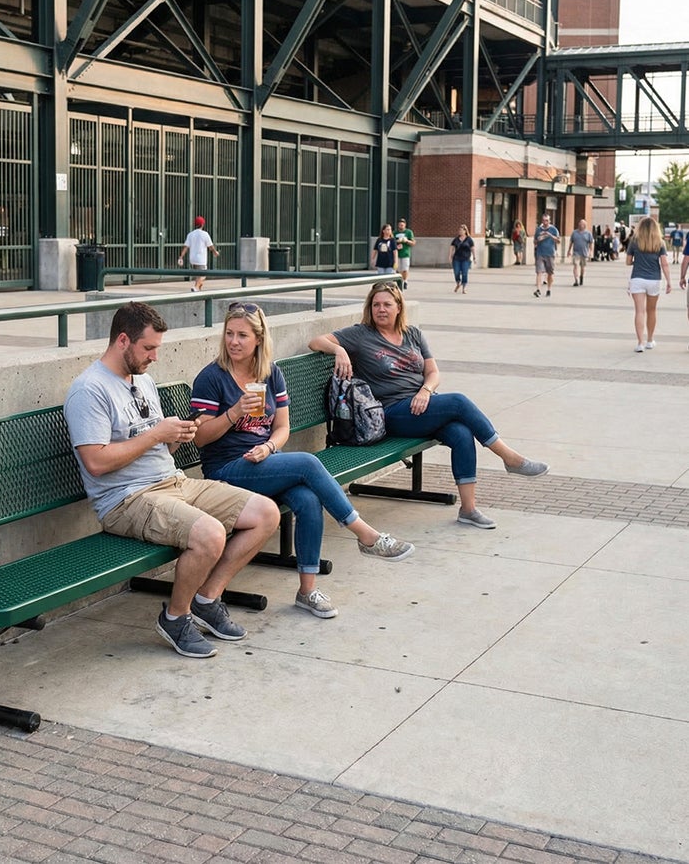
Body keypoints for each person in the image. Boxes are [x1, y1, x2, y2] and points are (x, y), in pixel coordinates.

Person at [64, 300, 280, 660]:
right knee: (210, 533)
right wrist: (155, 435)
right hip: (126, 499)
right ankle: (176, 618)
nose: (154, 357)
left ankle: (207, 599)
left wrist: (176, 436)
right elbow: (96, 463)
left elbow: (155, 443)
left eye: (157, 349)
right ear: (122, 340)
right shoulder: (90, 390)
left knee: (266, 513)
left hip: (172, 482)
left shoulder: (143, 380)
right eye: (148, 348)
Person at [191, 301, 412, 618]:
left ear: (258, 339)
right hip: (226, 469)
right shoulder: (212, 378)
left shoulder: (270, 373)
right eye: (229, 334)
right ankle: (365, 534)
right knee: (308, 464)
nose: (234, 342)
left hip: (264, 462)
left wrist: (268, 448)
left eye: (242, 335)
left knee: (308, 498)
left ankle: (307, 591)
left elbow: (282, 428)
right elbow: (200, 438)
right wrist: (234, 413)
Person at [310, 281, 547, 530]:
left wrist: (425, 391)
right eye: (376, 304)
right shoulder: (360, 334)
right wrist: (339, 350)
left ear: (399, 307)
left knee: (460, 432)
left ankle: (468, 509)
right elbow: (316, 341)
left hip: (422, 406)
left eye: (387, 304)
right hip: (391, 413)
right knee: (457, 401)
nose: (381, 309)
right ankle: (509, 457)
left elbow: (433, 372)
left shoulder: (413, 334)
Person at [627, 214, 673, 352]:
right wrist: (669, 281)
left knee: (639, 311)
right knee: (651, 311)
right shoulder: (660, 242)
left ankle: (640, 343)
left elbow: (628, 261)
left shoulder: (634, 241)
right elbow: (664, 264)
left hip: (637, 279)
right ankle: (650, 340)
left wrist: (638, 262)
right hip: (654, 279)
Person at [183, 212, 217, 291]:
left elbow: (186, 247)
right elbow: (210, 246)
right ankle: (195, 287)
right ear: (202, 224)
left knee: (198, 275)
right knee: (203, 275)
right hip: (201, 258)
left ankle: (199, 289)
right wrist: (215, 252)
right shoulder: (205, 234)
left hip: (193, 259)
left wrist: (181, 256)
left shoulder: (190, 234)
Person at [533, 211, 561, 297]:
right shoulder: (538, 229)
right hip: (540, 253)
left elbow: (558, 241)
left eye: (547, 221)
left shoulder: (553, 229)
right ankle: (538, 290)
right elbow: (534, 241)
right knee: (539, 272)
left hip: (550, 254)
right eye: (544, 220)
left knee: (550, 273)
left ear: (549, 221)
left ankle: (549, 289)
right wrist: (539, 239)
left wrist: (549, 235)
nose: (545, 222)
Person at [570, 213, 593, 286]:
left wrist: (591, 252)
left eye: (582, 224)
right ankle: (576, 280)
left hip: (584, 252)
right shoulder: (574, 232)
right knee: (575, 265)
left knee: (582, 267)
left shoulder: (588, 234)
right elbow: (571, 242)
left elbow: (591, 243)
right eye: (580, 223)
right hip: (576, 252)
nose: (581, 225)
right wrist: (568, 251)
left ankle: (581, 277)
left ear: (585, 225)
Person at [450, 224, 474, 293]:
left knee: (464, 273)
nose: (460, 231)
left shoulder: (469, 239)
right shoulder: (456, 239)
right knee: (456, 272)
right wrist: (450, 256)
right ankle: (458, 283)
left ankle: (464, 288)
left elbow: (472, 248)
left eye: (461, 230)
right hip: (456, 258)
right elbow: (452, 247)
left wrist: (474, 257)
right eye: (459, 230)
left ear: (465, 231)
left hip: (466, 259)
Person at [395, 217, 415, 290]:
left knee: (405, 269)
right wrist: (397, 244)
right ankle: (399, 281)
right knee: (398, 269)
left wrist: (406, 241)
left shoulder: (409, 232)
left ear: (405, 225)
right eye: (400, 225)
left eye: (402, 225)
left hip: (405, 253)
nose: (401, 226)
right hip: (397, 254)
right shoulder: (395, 233)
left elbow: (413, 243)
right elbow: (392, 242)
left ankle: (405, 281)